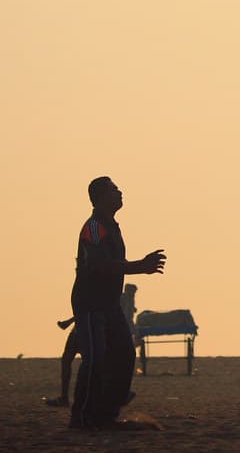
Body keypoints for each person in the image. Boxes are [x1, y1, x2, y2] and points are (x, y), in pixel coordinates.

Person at [70, 177, 166, 429]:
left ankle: (106, 414)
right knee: (94, 360)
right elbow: (101, 265)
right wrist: (140, 267)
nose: (120, 192)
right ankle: (82, 418)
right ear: (101, 196)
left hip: (109, 305)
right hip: (91, 304)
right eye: (114, 189)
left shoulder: (111, 226)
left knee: (124, 353)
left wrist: (139, 267)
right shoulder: (93, 228)